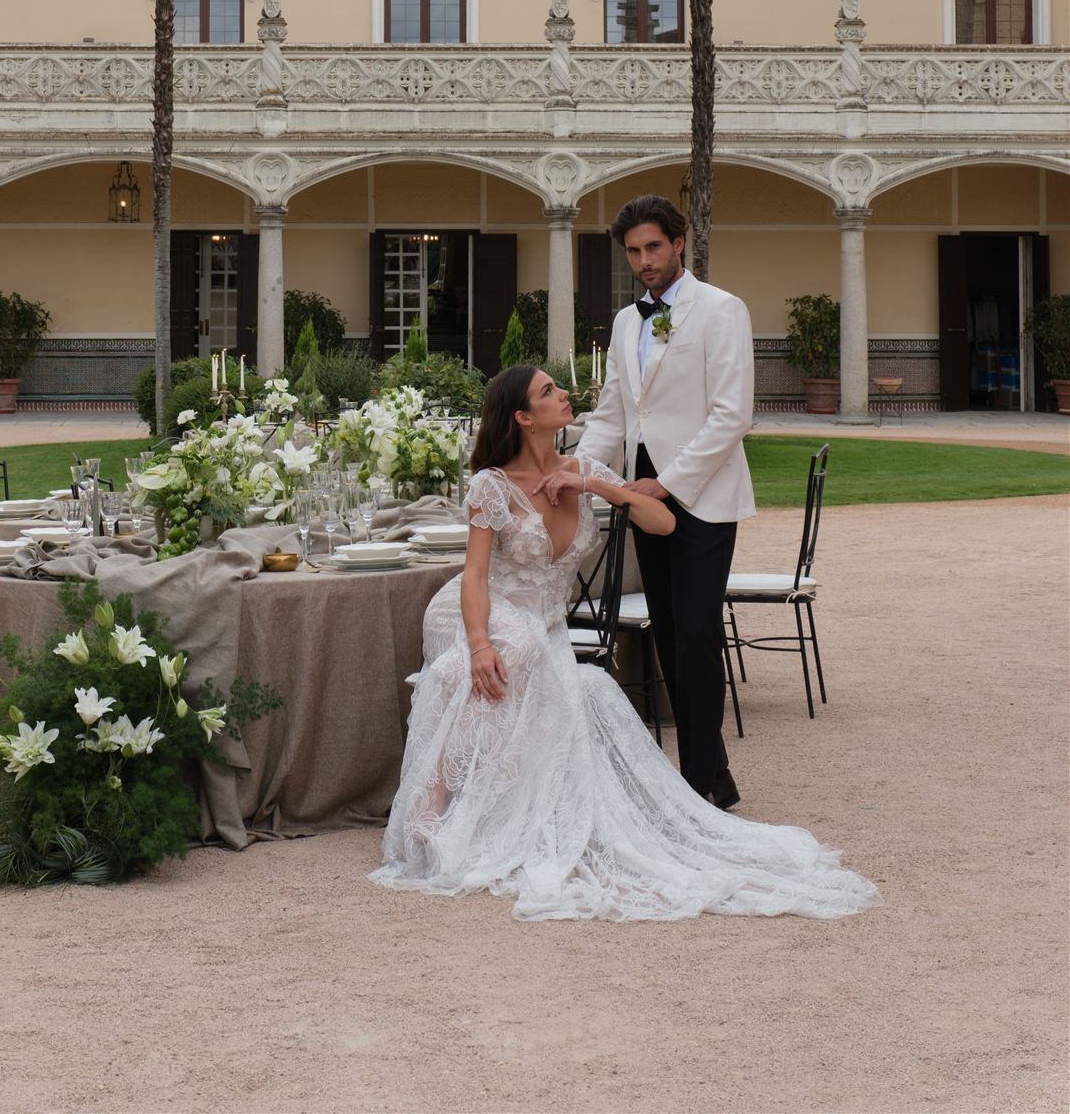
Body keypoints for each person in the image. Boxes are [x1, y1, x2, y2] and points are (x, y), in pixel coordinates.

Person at [372, 363, 876, 922]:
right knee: (512, 651)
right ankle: (432, 803)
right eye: (548, 391)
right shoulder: (491, 485)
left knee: (563, 676)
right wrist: (478, 643)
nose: (564, 394)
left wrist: (594, 484)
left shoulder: (583, 467)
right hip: (481, 613)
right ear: (522, 417)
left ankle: (497, 808)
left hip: (547, 628)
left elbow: (663, 523)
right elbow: (473, 577)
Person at [576, 193, 753, 808]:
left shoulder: (723, 310)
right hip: (639, 493)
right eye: (633, 251)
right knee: (671, 632)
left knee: (699, 633)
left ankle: (698, 785)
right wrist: (577, 471)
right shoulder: (628, 322)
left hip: (701, 493)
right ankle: (718, 775)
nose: (645, 260)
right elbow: (613, 414)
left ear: (680, 243)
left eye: (654, 247)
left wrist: (668, 482)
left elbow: (733, 414)